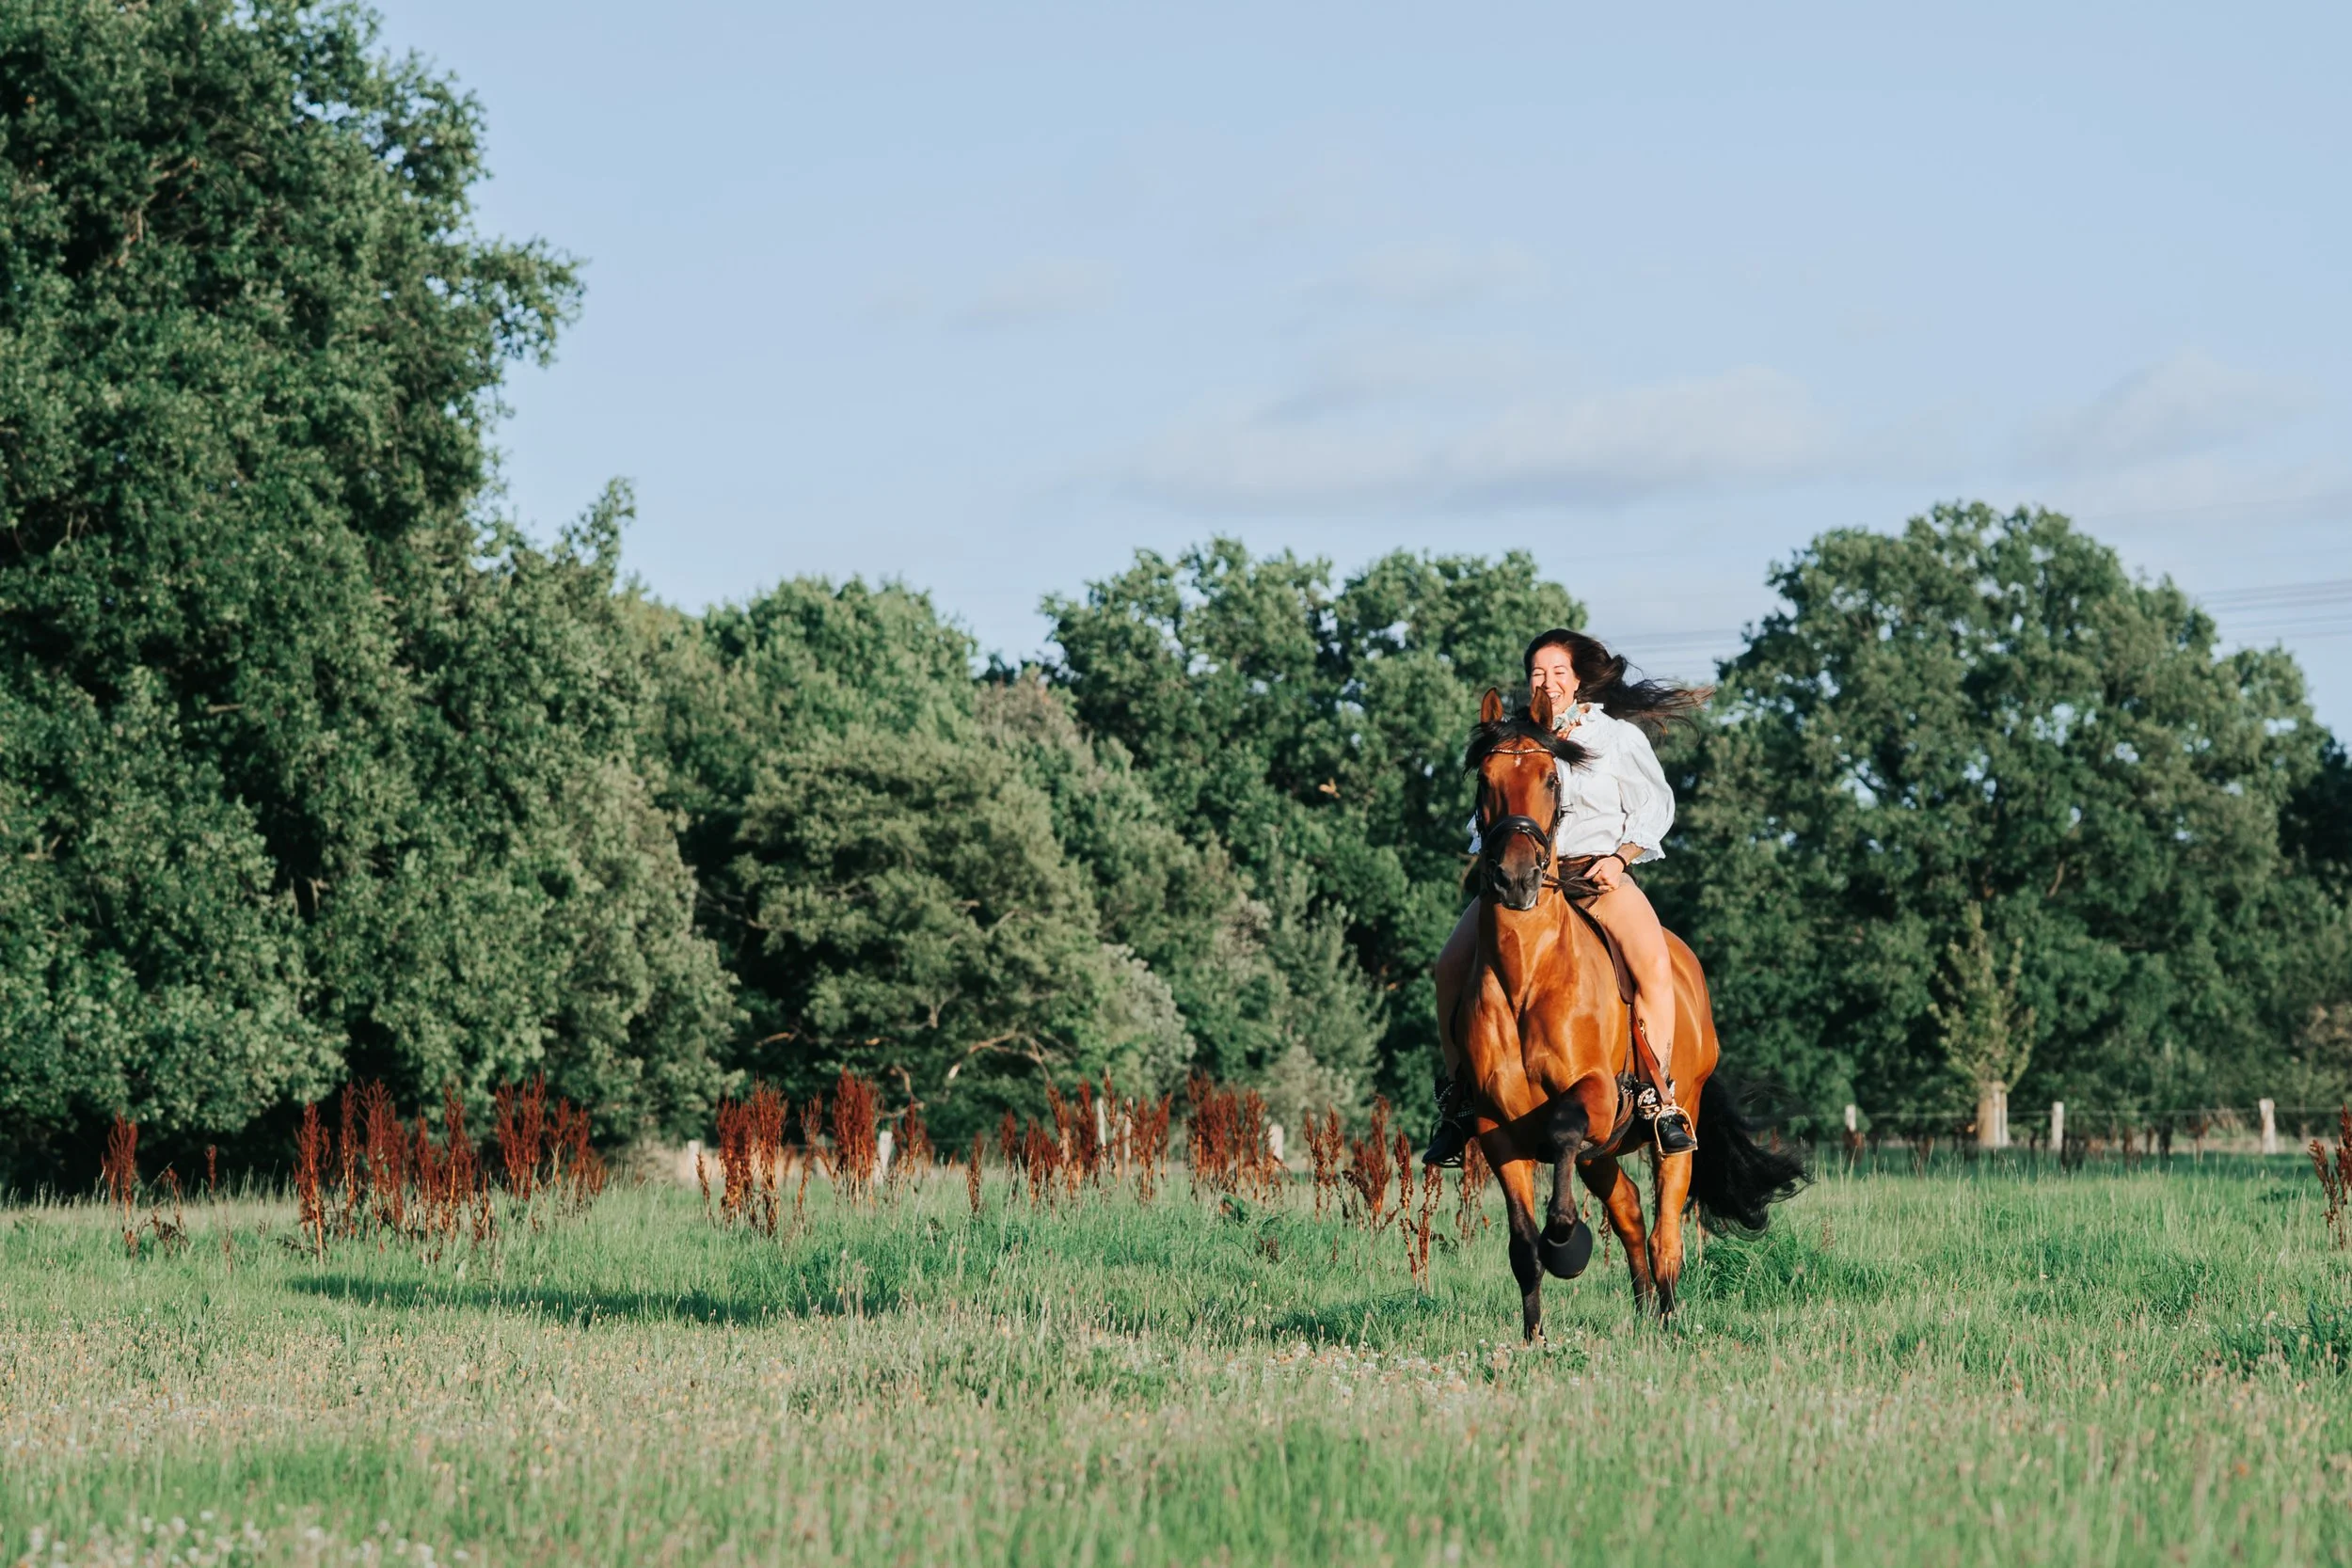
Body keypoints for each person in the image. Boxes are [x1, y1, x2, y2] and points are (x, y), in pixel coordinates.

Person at [1425, 628, 1708, 1164]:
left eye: (1559, 672)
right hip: (1525, 880)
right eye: (1538, 673)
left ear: (1578, 679)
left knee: (1652, 965)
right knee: (1449, 967)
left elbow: (1655, 806)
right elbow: (1487, 815)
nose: (1549, 682)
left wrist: (1620, 858)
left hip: (1600, 877)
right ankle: (1459, 1099)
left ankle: (1660, 1097)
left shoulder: (1616, 738)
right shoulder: (1515, 740)